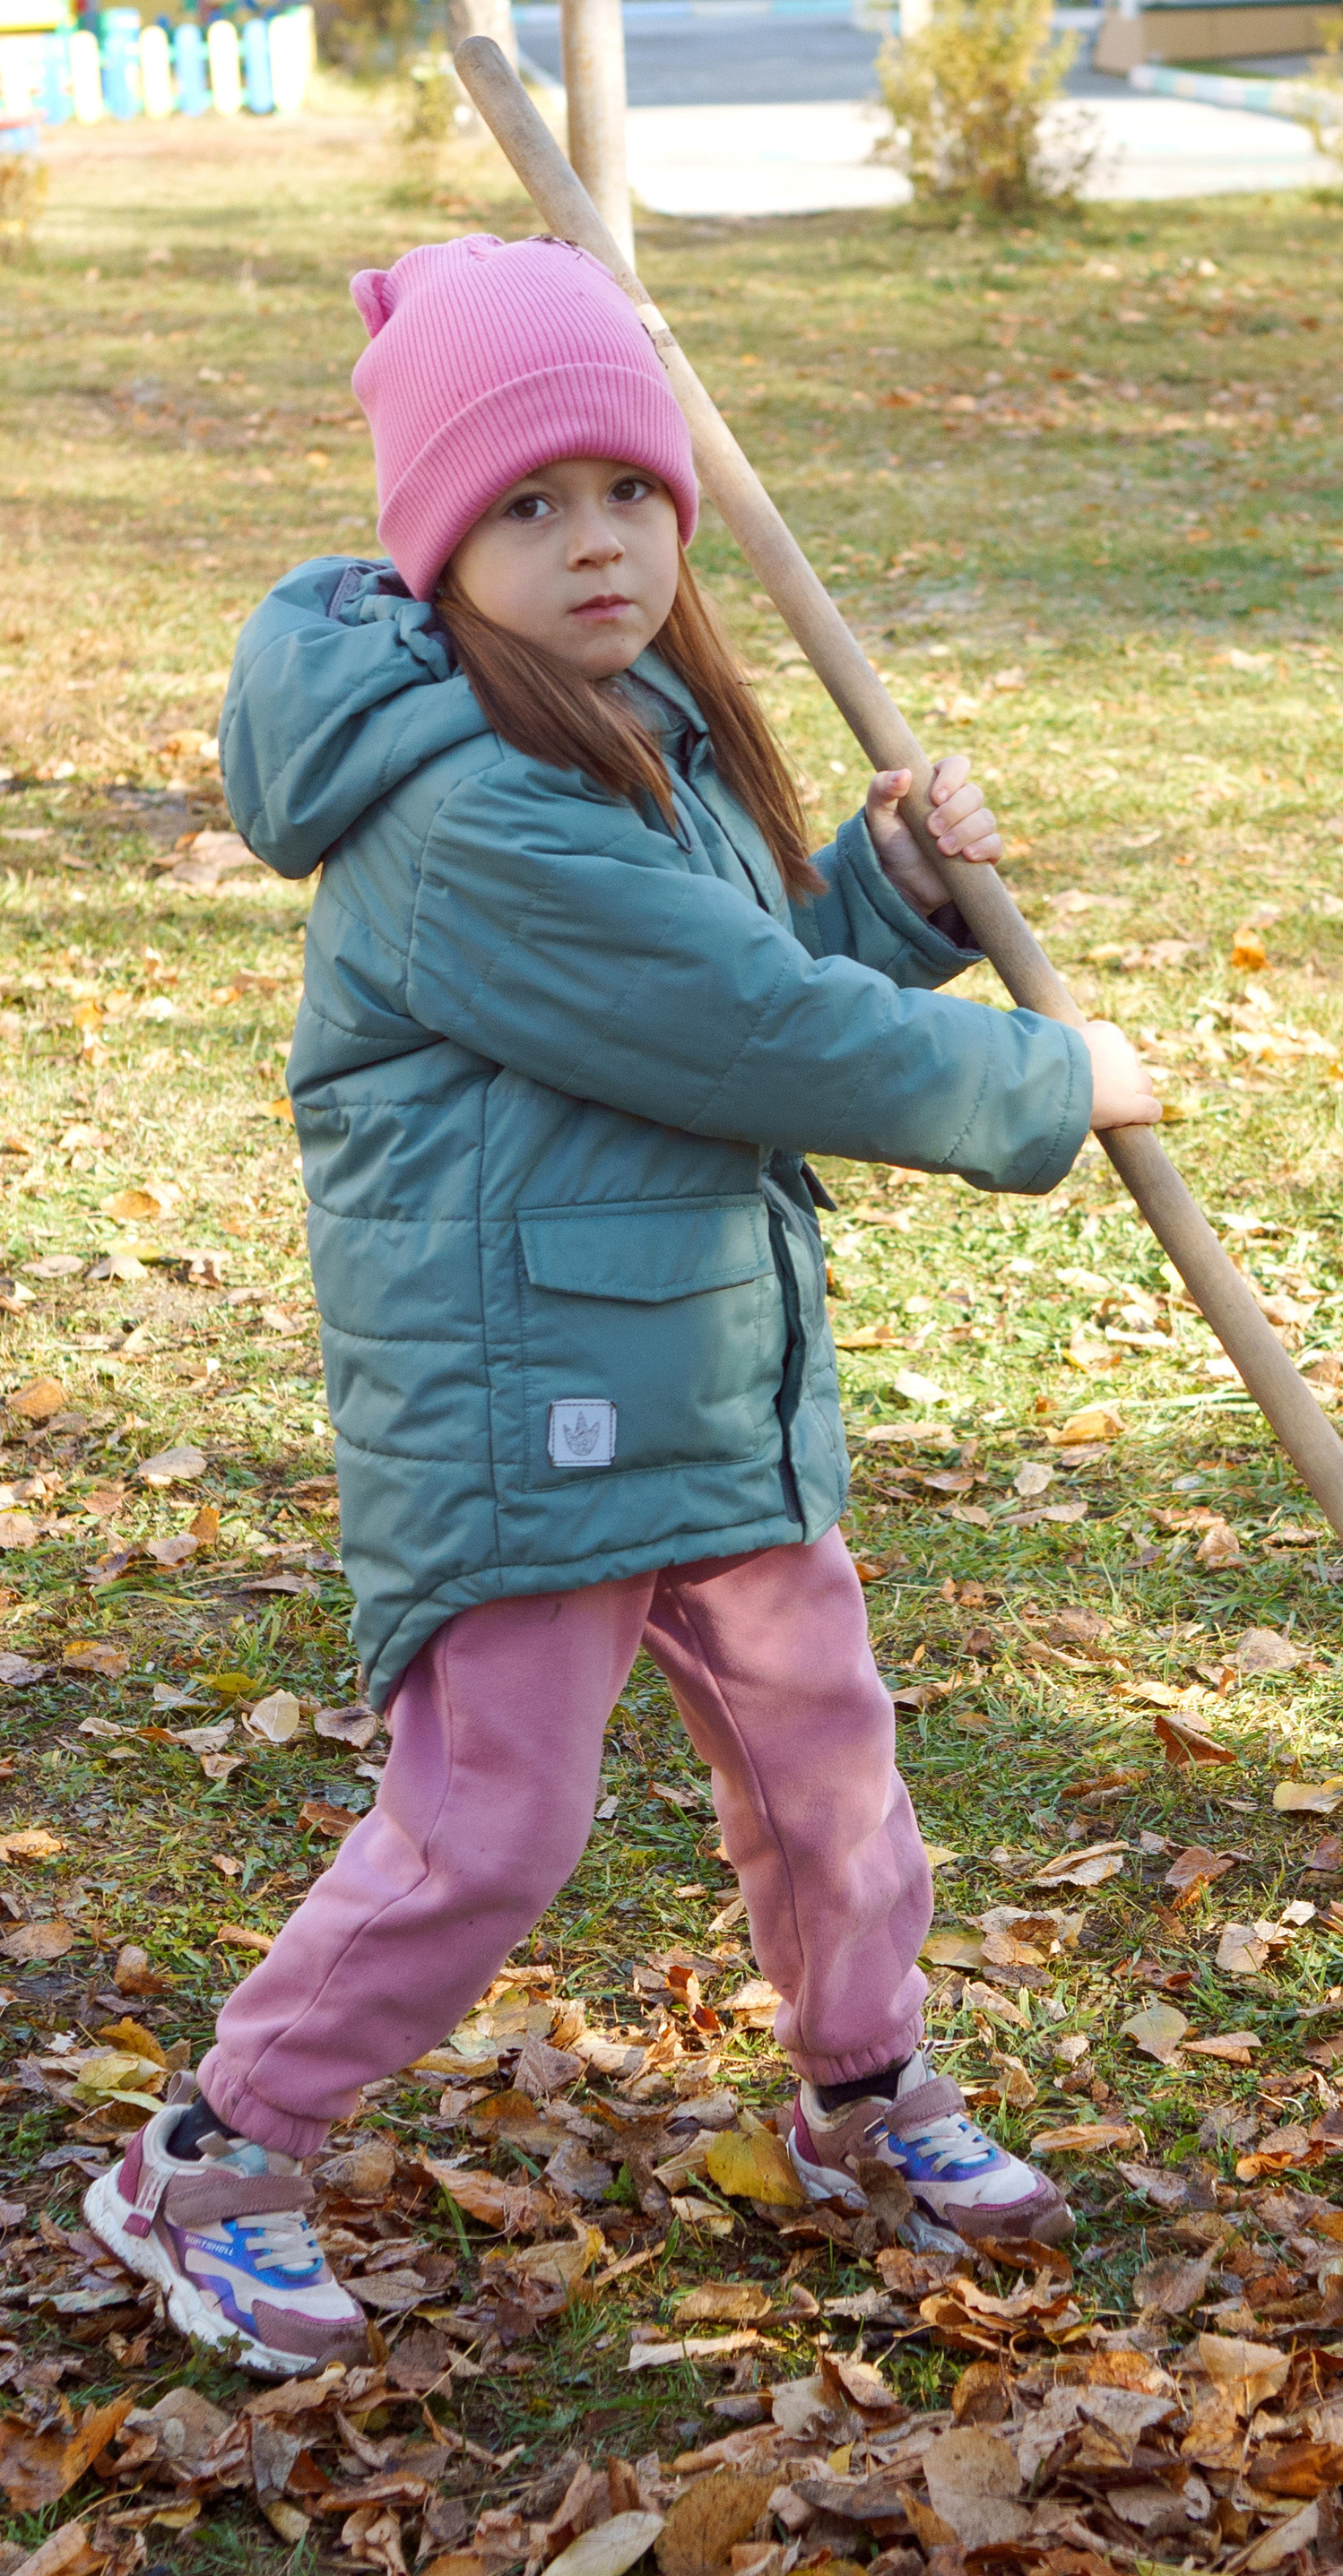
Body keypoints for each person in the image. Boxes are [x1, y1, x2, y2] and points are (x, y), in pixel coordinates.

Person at [85, 234, 1160, 2373]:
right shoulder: (468, 808)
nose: (600, 546)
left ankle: (865, 2095)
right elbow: (740, 1029)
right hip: (521, 1393)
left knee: (826, 1759)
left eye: (631, 494)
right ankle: (214, 2152)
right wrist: (1046, 1079)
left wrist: (896, 898)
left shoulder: (627, 727)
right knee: (498, 1819)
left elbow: (752, 967)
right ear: (434, 541)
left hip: (694, 1358)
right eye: (531, 505)